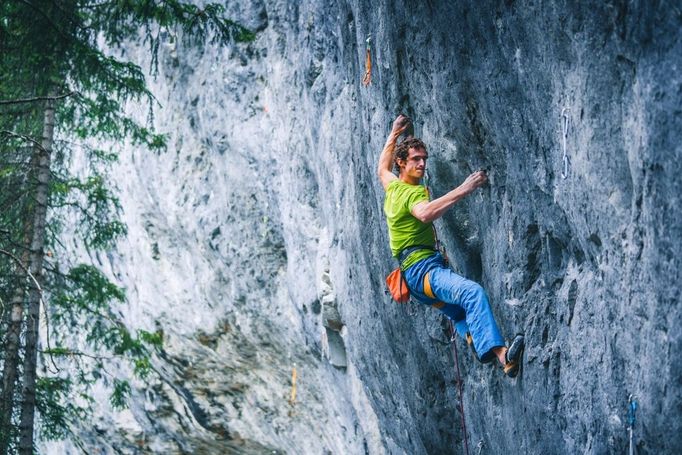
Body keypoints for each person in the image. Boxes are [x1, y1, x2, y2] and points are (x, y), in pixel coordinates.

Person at [377, 114, 524, 377]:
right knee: (471, 293)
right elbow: (424, 214)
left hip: (415, 282)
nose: (422, 164)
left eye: (424, 159)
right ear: (402, 162)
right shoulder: (411, 193)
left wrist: (393, 133)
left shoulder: (392, 187)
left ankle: (488, 348)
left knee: (458, 313)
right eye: (415, 160)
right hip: (423, 272)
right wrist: (466, 187)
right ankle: (496, 351)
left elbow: (381, 168)